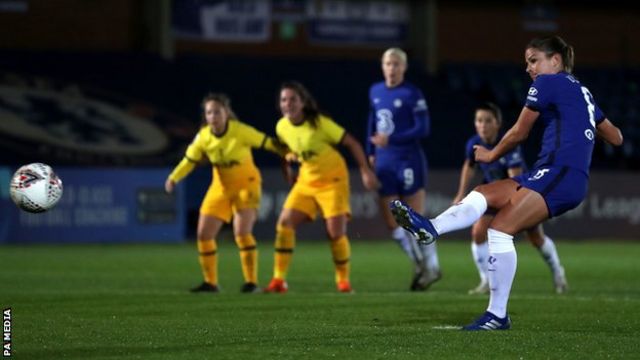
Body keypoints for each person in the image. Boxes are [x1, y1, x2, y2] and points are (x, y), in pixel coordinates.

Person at [391, 35, 623, 330]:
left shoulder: (548, 83)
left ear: (556, 61)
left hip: (561, 173)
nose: (528, 68)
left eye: (533, 60)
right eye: (527, 62)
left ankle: (497, 314)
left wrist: (490, 154)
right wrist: (585, 126)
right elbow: (616, 137)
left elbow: (519, 132)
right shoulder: (582, 91)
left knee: (499, 229)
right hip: (553, 171)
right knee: (484, 192)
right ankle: (431, 228)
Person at [264, 81, 380, 294]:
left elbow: (351, 143)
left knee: (335, 233)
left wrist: (365, 170)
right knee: (284, 224)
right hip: (306, 181)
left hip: (333, 180)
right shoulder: (281, 126)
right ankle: (279, 281)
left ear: (302, 102)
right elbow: (286, 149)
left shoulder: (320, 123)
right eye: (283, 100)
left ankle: (343, 282)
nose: (287, 104)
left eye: (292, 99)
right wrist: (288, 169)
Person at [165, 93, 285, 294]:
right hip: (220, 187)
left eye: (217, 112)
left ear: (226, 113)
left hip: (247, 184)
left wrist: (288, 152)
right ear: (205, 116)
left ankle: (251, 282)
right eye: (209, 112)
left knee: (242, 232)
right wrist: (173, 177)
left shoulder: (240, 131)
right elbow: (189, 160)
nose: (213, 116)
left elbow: (268, 143)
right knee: (204, 234)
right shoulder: (203, 136)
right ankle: (210, 283)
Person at [454, 102, 567, 295]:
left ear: (498, 124)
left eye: (488, 121)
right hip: (493, 193)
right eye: (479, 120)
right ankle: (486, 280)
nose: (482, 125)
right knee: (478, 233)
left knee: (535, 238)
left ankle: (558, 271)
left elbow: (514, 179)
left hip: (521, 194)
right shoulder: (473, 143)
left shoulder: (508, 144)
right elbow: (469, 166)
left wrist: (514, 211)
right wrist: (460, 193)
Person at [366, 47, 441, 291]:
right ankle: (420, 265)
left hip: (409, 159)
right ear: (382, 65)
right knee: (392, 224)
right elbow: (372, 120)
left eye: (397, 64)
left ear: (404, 68)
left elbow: (424, 128)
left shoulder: (412, 93)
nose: (392, 68)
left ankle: (432, 265)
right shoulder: (375, 90)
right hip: (384, 161)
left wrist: (393, 138)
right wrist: (370, 151)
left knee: (414, 218)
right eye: (388, 63)